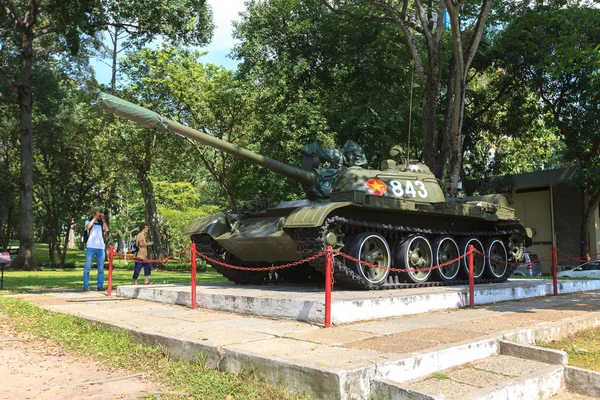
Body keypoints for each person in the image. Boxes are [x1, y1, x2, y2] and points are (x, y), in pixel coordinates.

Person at [83, 207, 109, 291]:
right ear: (93, 214)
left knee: (101, 268)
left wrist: (103, 219)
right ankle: (86, 286)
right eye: (98, 213)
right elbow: (88, 226)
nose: (99, 214)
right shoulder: (88, 221)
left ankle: (100, 285)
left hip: (100, 248)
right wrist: (94, 218)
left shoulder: (101, 223)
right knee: (87, 267)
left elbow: (107, 229)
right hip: (90, 247)